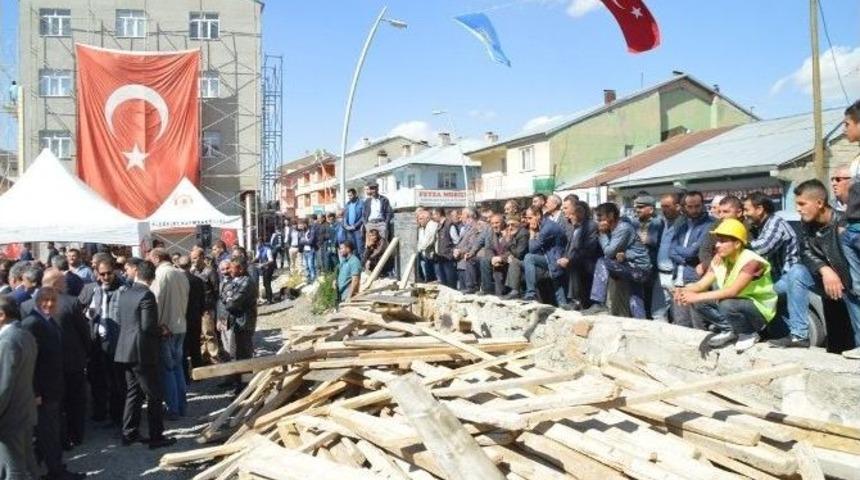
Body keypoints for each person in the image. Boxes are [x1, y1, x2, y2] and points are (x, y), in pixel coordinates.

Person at [677, 219, 777, 353]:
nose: (717, 245)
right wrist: (684, 290)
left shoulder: (751, 261)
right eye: (717, 241)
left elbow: (733, 291)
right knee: (700, 303)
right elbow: (702, 284)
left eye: (723, 241)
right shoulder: (721, 258)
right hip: (737, 303)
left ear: (736, 244)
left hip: (760, 310)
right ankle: (730, 329)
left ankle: (748, 333)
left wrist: (696, 296)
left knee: (726, 303)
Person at [789, 180, 860, 357]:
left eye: (802, 204)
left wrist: (837, 275)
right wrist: (825, 269)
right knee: (795, 273)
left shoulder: (843, 223)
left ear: (819, 203)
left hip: (849, 284)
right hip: (828, 282)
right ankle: (799, 335)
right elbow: (805, 252)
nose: (798, 209)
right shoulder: (807, 224)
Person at [22, 287, 86, 480]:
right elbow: (29, 363)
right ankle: (55, 472)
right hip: (43, 391)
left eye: (52, 300)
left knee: (48, 432)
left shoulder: (48, 321)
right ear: (37, 301)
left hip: (53, 387)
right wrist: (35, 392)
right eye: (45, 300)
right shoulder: (32, 324)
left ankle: (41, 469)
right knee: (47, 433)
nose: (49, 304)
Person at [114, 260, 176, 449]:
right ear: (152, 277)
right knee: (154, 394)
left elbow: (121, 320)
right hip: (142, 352)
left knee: (133, 393)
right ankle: (156, 437)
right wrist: (162, 331)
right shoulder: (146, 295)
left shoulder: (124, 293)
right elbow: (148, 326)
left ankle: (129, 433)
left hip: (125, 350)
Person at [80, 257, 126, 426]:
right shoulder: (90, 290)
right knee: (97, 378)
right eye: (102, 274)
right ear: (96, 274)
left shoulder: (123, 290)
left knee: (116, 381)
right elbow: (79, 310)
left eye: (109, 273)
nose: (106, 277)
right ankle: (99, 412)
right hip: (96, 342)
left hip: (115, 342)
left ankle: (117, 416)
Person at [585, 203, 652, 318]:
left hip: (639, 270)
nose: (599, 221)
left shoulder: (623, 228)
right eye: (597, 217)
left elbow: (608, 252)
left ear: (611, 215)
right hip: (634, 268)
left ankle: (598, 302)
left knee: (602, 262)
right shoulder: (615, 229)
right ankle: (641, 322)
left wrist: (602, 234)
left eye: (601, 217)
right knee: (635, 298)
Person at [148, 248, 190, 420]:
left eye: (150, 259)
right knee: (178, 367)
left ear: (157, 258)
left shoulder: (160, 275)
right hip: (180, 325)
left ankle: (173, 408)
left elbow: (154, 301)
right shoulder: (181, 274)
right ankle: (181, 405)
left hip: (166, 328)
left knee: (168, 370)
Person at [0, 296, 39, 480]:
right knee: (28, 465)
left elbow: (3, 386)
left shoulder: (7, 342)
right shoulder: (25, 334)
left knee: (14, 470)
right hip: (24, 411)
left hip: (10, 418)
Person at [669, 191, 714, 327]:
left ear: (703, 205)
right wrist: (683, 256)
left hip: (696, 279)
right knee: (681, 322)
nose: (694, 210)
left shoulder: (711, 224)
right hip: (679, 278)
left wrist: (680, 253)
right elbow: (670, 250)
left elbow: (693, 252)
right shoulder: (681, 223)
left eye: (697, 206)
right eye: (690, 206)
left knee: (698, 323)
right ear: (684, 207)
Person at [220, 258, 257, 392]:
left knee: (245, 355)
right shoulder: (235, 281)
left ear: (240, 269)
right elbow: (224, 296)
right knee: (236, 354)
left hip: (245, 323)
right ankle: (238, 384)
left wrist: (228, 299)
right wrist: (227, 299)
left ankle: (246, 387)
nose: (228, 271)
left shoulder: (247, 282)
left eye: (231, 268)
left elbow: (233, 303)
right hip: (237, 322)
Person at [522, 206, 569, 305]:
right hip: (550, 258)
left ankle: (531, 293)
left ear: (538, 216)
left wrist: (532, 233)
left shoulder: (548, 228)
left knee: (529, 257)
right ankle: (563, 305)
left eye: (530, 218)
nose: (528, 221)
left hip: (556, 259)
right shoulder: (543, 225)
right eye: (527, 218)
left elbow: (532, 249)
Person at [560, 199, 601, 310]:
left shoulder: (590, 226)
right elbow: (570, 247)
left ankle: (576, 300)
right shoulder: (575, 227)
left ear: (581, 213)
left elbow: (588, 249)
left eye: (572, 214)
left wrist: (570, 260)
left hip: (588, 262)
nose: (570, 217)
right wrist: (564, 257)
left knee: (574, 265)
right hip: (575, 259)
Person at [632, 194, 664, 319]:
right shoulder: (634, 222)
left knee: (650, 296)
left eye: (641, 207)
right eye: (636, 207)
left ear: (650, 209)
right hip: (636, 264)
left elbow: (658, 241)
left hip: (652, 265)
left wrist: (646, 240)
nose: (637, 210)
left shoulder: (659, 222)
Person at [190, 247, 223, 364]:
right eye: (192, 258)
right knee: (201, 335)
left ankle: (214, 356)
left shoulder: (210, 271)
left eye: (195, 258)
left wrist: (212, 307)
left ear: (202, 257)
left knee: (209, 333)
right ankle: (204, 356)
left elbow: (216, 290)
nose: (193, 260)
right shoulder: (193, 272)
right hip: (197, 308)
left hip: (207, 308)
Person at [654, 193, 683, 321]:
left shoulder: (684, 224)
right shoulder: (662, 223)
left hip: (675, 277)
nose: (664, 210)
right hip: (660, 275)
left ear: (677, 206)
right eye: (662, 207)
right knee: (658, 314)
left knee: (679, 316)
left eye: (667, 206)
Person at [177, 256, 205, 375]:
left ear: (178, 266)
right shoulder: (197, 280)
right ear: (190, 265)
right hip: (195, 316)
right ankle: (199, 372)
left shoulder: (177, 282)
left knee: (182, 347)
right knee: (195, 345)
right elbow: (202, 300)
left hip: (181, 316)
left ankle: (184, 373)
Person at [452, 208, 485, 294]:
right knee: (462, 290)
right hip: (461, 263)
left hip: (467, 262)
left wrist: (460, 251)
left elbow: (472, 245)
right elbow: (461, 243)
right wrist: (456, 250)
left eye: (463, 215)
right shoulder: (466, 229)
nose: (461, 217)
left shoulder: (476, 228)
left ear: (470, 217)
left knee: (468, 290)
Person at [479, 213, 511, 296]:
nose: (494, 226)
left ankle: (500, 293)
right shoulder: (491, 234)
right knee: (484, 260)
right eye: (492, 223)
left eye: (497, 223)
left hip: (508, 260)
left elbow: (513, 251)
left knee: (498, 271)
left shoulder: (510, 232)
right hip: (496, 261)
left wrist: (500, 258)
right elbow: (488, 249)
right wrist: (493, 258)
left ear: (503, 223)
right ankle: (487, 290)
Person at [500, 215, 530, 299]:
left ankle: (514, 291)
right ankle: (505, 288)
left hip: (526, 261)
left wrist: (509, 241)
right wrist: (509, 256)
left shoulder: (523, 234)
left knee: (514, 262)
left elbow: (519, 253)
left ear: (519, 224)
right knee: (501, 262)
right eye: (508, 225)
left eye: (512, 225)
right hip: (517, 259)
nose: (510, 227)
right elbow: (506, 251)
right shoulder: (514, 234)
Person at [432, 208, 457, 289]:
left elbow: (456, 241)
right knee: (444, 284)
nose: (433, 217)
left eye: (434, 214)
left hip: (448, 258)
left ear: (439, 214)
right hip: (441, 258)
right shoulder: (439, 226)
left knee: (450, 283)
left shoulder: (449, 225)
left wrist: (452, 252)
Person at [416, 209, 438, 283]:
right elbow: (420, 241)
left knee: (434, 278)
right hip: (426, 255)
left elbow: (428, 240)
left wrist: (418, 249)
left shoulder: (432, 225)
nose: (419, 221)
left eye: (421, 219)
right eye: (419, 219)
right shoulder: (422, 228)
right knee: (428, 278)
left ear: (427, 218)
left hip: (433, 256)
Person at [343, 188, 365, 256]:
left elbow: (363, 217)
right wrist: (346, 225)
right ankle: (355, 265)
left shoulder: (361, 203)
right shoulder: (347, 204)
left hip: (357, 229)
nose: (349, 197)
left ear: (355, 194)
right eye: (348, 196)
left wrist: (355, 226)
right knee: (352, 249)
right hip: (349, 230)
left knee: (360, 249)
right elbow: (345, 216)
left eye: (351, 195)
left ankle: (361, 265)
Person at [254, 236, 276, 304]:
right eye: (257, 243)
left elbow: (271, 260)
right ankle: (269, 297)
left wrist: (262, 264)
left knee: (267, 283)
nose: (258, 244)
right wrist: (251, 262)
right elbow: (257, 257)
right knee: (265, 283)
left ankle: (270, 299)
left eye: (259, 243)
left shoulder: (267, 249)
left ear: (262, 243)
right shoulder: (259, 249)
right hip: (264, 268)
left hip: (269, 268)